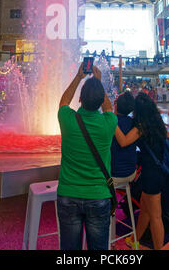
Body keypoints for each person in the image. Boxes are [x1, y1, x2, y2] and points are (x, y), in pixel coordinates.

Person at [57, 63, 117, 251]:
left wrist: (78, 77)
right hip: (99, 197)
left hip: (68, 195)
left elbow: (64, 102)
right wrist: (98, 83)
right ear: (100, 101)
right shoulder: (109, 122)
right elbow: (108, 107)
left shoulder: (67, 118)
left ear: (80, 99)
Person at [114, 92, 168, 250]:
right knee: (144, 209)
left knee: (155, 216)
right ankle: (135, 240)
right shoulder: (156, 123)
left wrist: (112, 121)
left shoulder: (141, 127)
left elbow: (123, 141)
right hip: (154, 171)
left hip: (152, 174)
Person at [111, 91, 136, 186]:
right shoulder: (133, 123)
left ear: (116, 104)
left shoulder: (109, 122)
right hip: (130, 172)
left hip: (113, 174)